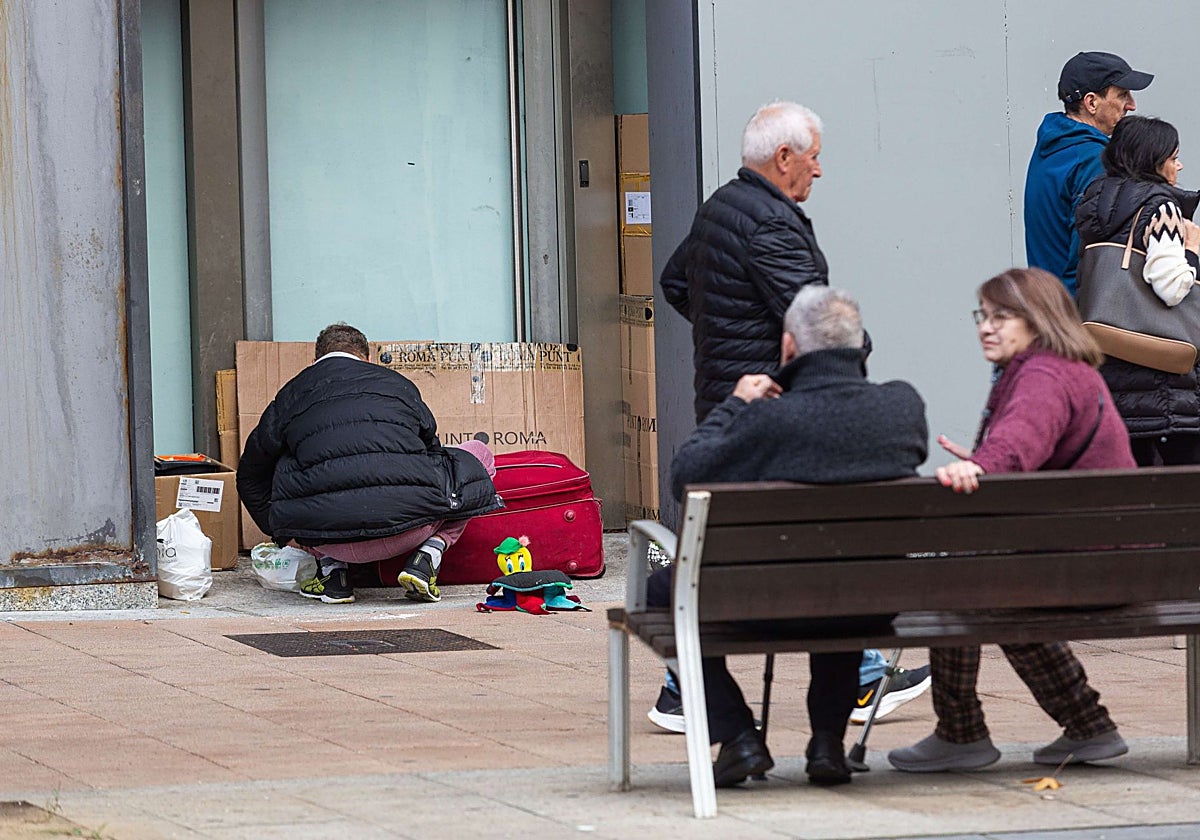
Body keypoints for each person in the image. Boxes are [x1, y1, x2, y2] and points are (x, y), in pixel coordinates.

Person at [651, 100, 929, 733]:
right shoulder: (771, 225)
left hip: (728, 399)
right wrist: (816, 361)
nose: (819, 170)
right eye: (814, 157)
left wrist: (729, 340)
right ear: (783, 159)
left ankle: (680, 685)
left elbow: (675, 284)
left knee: (734, 543)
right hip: (776, 403)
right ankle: (859, 678)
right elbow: (819, 321)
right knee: (807, 534)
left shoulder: (721, 206)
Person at [647, 286, 929, 787]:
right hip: (871, 598)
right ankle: (827, 744)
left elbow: (685, 475)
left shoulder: (766, 420)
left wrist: (736, 402)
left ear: (790, 348)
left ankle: (737, 736)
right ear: (860, 343)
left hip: (763, 602)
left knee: (660, 590)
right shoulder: (903, 407)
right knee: (843, 577)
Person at [888, 268, 1133, 773]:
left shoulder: (1043, 373)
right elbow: (1030, 444)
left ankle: (963, 734)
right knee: (985, 590)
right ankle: (1086, 725)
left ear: (1039, 320)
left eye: (1003, 316)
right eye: (984, 315)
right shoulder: (1060, 369)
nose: (986, 326)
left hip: (1089, 565)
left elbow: (1019, 447)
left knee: (965, 592)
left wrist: (981, 464)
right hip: (1108, 557)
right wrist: (984, 458)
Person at [237, 323, 502, 604]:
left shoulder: (291, 394)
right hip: (413, 528)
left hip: (326, 538)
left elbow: (250, 474)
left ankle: (332, 571)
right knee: (476, 452)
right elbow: (432, 452)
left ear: (315, 361)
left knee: (291, 462)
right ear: (368, 358)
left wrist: (283, 533)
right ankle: (431, 553)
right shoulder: (396, 383)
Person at [1075, 115, 1200, 466]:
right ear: (1153, 160)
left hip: (1111, 366)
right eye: (1174, 157)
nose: (1179, 165)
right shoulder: (1161, 206)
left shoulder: (1094, 201)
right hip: (1161, 379)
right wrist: (1192, 250)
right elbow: (1171, 286)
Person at [1025, 51, 1153, 295]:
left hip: (1048, 307)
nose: (1132, 105)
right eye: (1122, 94)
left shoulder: (1054, 144)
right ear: (1092, 102)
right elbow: (1088, 251)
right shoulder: (1093, 158)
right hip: (1076, 315)